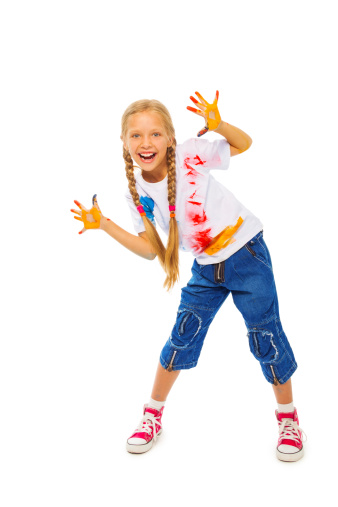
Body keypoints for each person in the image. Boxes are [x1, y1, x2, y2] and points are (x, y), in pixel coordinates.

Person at [71, 91, 306, 462]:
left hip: (246, 253)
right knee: (182, 336)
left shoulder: (188, 156)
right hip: (206, 269)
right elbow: (150, 250)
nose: (145, 143)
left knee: (266, 336)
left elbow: (243, 144)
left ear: (169, 138)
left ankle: (288, 419)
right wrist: (103, 224)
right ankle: (152, 413)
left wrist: (218, 125)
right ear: (123, 141)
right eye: (136, 135)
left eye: (154, 134)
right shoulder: (137, 193)